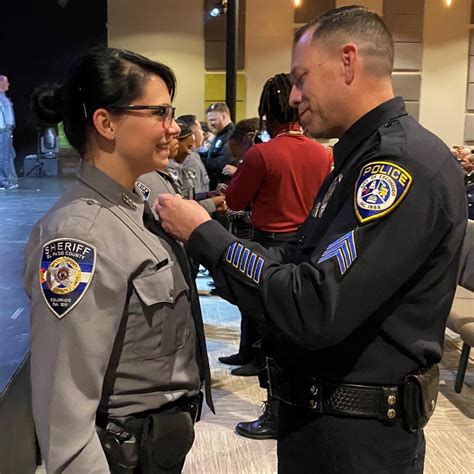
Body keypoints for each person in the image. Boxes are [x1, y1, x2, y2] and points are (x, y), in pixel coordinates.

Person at [155, 6, 467, 473]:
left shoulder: (396, 167)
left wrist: (205, 236)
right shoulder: (358, 155)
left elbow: (315, 304)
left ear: (347, 62)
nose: (294, 95)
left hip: (357, 438)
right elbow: (304, 259)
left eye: (301, 78)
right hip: (329, 420)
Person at [24, 47, 213, 474]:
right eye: (159, 113)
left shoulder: (144, 197)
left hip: (158, 443)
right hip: (122, 454)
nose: (173, 128)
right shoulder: (79, 237)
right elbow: (64, 416)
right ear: (106, 122)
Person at [220, 74, 330, 440]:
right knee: (293, 332)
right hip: (311, 248)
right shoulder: (323, 152)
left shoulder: (261, 153)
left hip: (269, 247)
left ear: (266, 114)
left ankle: (275, 411)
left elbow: (234, 201)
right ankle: (292, 405)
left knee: (269, 334)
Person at [205, 102, 234, 190]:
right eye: (209, 120)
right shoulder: (220, 134)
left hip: (224, 186)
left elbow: (222, 163)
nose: (210, 123)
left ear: (224, 117)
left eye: (213, 120)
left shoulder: (231, 135)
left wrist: (201, 161)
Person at [0, 75, 18, 189]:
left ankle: (6, 180)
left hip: (6, 131)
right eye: (6, 82)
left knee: (8, 156)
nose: (8, 84)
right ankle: (3, 182)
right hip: (2, 131)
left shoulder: (3, 96)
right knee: (3, 157)